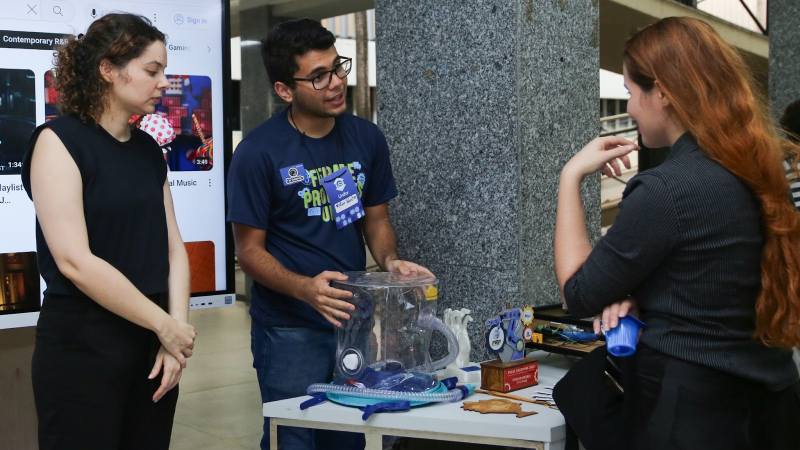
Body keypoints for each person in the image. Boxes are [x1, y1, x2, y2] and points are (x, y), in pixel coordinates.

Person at [554, 17, 800, 449]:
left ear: (663, 92)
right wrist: (644, 295)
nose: (628, 108)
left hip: (690, 413)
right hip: (771, 404)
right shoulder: (756, 168)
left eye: (631, 92)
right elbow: (714, 274)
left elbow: (579, 293)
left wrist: (570, 176)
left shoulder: (666, 189)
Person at [227, 18, 432, 450]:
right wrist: (305, 289)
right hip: (288, 330)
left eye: (338, 68)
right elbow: (248, 252)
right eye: (318, 77)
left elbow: (375, 221)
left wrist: (390, 260)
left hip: (352, 323)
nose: (336, 83)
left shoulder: (366, 138)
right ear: (285, 89)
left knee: (350, 435)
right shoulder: (258, 153)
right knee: (294, 438)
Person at [21, 14, 197, 450]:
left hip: (152, 344)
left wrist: (174, 335)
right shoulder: (57, 141)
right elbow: (74, 262)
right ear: (108, 69)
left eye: (164, 72)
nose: (163, 83)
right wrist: (165, 325)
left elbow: (173, 246)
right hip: (84, 345)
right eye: (152, 71)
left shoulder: (148, 149)